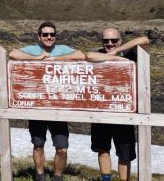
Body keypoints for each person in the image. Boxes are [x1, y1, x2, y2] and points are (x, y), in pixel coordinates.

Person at [9, 21, 85, 181]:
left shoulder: (62, 49)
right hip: (37, 106)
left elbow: (80, 55)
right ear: (39, 36)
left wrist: (55, 59)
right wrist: (37, 59)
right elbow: (13, 54)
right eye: (45, 34)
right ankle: (40, 175)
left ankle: (58, 177)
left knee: (62, 148)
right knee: (38, 144)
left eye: (52, 34)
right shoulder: (33, 49)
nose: (49, 37)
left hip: (58, 107)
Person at [85, 28, 149, 181]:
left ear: (120, 41)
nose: (110, 43)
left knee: (124, 152)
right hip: (101, 111)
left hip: (124, 112)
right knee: (102, 149)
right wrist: (118, 59)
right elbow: (89, 55)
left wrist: (117, 52)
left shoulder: (131, 53)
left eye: (114, 40)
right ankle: (106, 178)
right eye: (106, 40)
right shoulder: (99, 52)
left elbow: (144, 40)